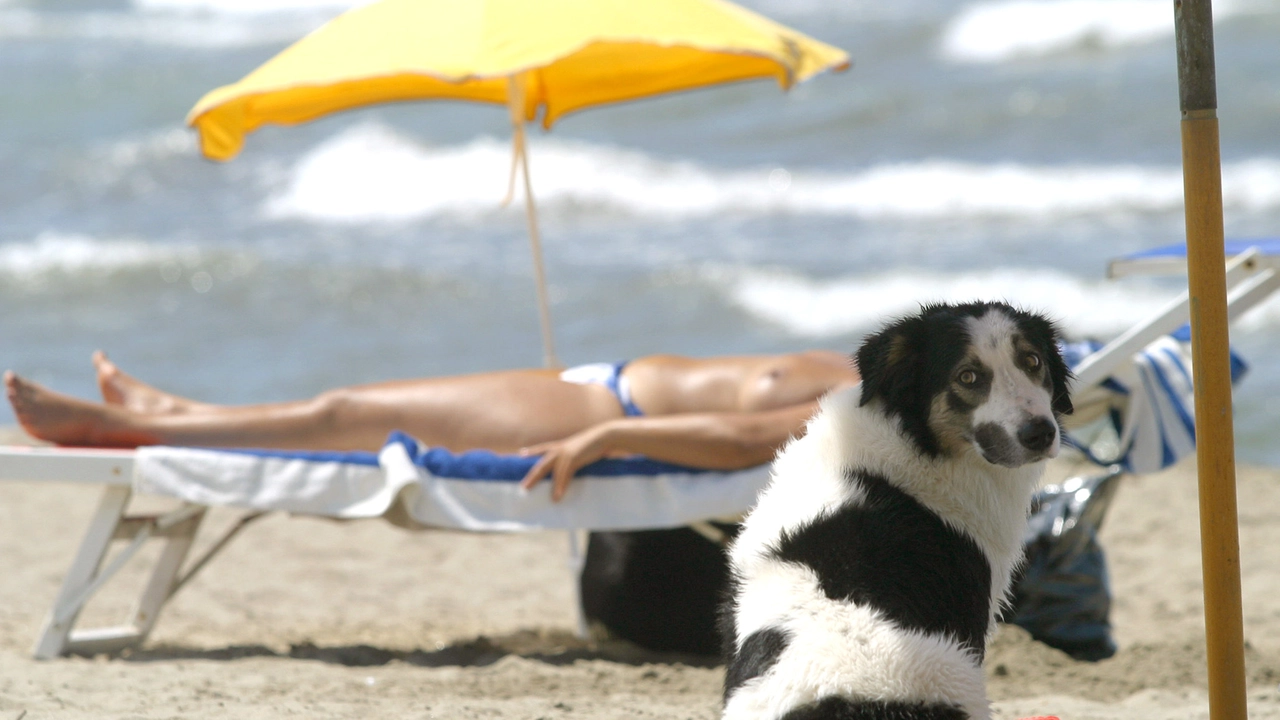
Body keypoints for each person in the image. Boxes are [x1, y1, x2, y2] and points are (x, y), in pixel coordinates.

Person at [4, 350, 860, 501]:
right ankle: (175, 414)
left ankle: (128, 427)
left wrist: (609, 438)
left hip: (604, 411)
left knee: (348, 414)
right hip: (601, 383)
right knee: (355, 402)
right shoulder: (886, 364)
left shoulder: (874, 406)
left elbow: (748, 442)